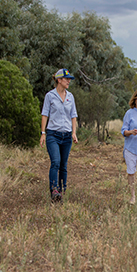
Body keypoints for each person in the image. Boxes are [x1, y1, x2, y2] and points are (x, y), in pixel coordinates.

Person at [40, 68, 78, 203]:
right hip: (52, 134)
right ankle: (54, 189)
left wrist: (74, 133)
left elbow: (73, 116)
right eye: (66, 79)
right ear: (59, 80)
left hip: (67, 135)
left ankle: (62, 191)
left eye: (69, 79)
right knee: (55, 162)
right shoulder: (50, 96)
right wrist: (43, 133)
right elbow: (45, 114)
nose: (68, 81)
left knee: (63, 164)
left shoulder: (70, 96)